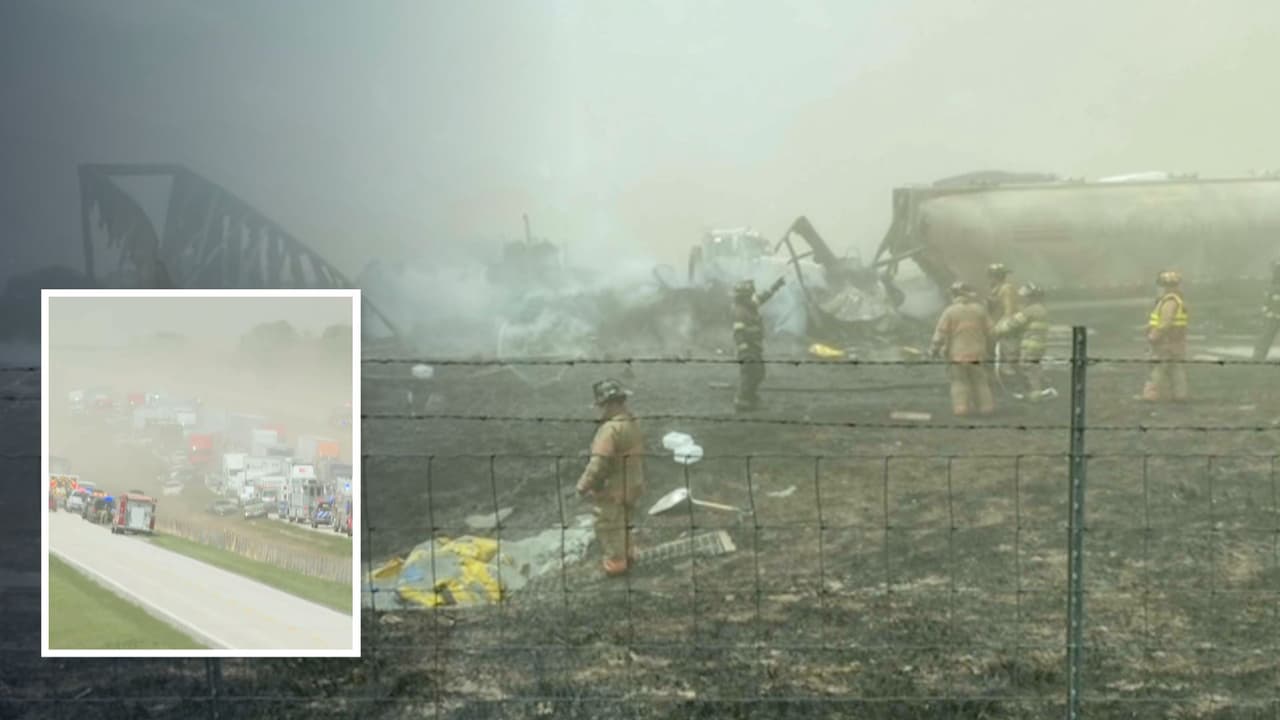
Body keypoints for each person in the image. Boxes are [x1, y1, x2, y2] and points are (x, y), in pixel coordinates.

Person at [576, 379, 646, 577]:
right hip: (633, 484)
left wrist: (583, 486)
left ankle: (616, 570)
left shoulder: (610, 429)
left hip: (613, 489)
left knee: (608, 527)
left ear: (607, 404)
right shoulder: (631, 421)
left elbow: (598, 464)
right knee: (624, 523)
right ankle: (629, 556)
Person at [931, 281, 996, 416]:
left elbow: (939, 335)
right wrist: (990, 349)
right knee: (980, 381)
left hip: (957, 355)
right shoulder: (980, 310)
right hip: (978, 354)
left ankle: (961, 408)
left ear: (954, 295)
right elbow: (992, 332)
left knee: (959, 382)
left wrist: (934, 350)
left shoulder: (949, 312)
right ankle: (986, 407)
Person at [732, 277, 786, 412]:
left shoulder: (749, 305)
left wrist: (776, 286)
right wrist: (744, 351)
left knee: (759, 373)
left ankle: (750, 396)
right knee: (749, 374)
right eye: (750, 294)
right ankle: (742, 401)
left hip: (755, 346)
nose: (753, 296)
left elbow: (764, 297)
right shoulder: (740, 311)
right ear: (744, 296)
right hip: (748, 349)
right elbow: (738, 333)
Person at [997, 282, 1053, 400]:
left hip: (1030, 345)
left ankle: (1035, 394)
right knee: (1034, 367)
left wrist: (997, 329)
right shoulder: (1041, 309)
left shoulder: (1030, 310)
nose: (1023, 300)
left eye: (1025, 297)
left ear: (1031, 297)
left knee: (1029, 368)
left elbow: (1011, 325)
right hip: (1039, 344)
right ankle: (1037, 391)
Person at [1142, 270, 1190, 402]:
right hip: (1176, 342)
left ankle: (1150, 395)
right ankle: (1180, 395)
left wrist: (1154, 335)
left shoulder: (1169, 302)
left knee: (1157, 368)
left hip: (1165, 342)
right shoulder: (1178, 301)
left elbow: (1165, 322)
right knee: (1176, 369)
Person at [987, 263, 1021, 384]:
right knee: (1000, 357)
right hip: (998, 326)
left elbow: (1009, 310)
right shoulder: (996, 289)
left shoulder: (1006, 288)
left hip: (1006, 329)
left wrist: (1002, 327)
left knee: (1008, 357)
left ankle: (1015, 385)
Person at [1253, 260, 1280, 361]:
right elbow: (1271, 290)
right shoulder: (1274, 284)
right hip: (1273, 310)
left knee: (1266, 335)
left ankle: (1258, 356)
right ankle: (1258, 356)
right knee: (1266, 335)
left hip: (1273, 308)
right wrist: (1267, 308)